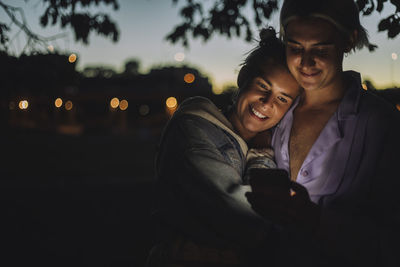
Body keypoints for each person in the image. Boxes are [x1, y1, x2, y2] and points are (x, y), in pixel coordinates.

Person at [245, 0, 400, 266]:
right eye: (295, 47)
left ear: (349, 40)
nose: (306, 62)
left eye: (321, 48)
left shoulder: (382, 124)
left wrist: (315, 221)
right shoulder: (276, 112)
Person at [147, 27, 300, 267]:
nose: (268, 103)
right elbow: (247, 221)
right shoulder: (194, 126)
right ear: (243, 78)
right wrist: (261, 155)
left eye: (282, 98)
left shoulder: (281, 144)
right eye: (263, 86)